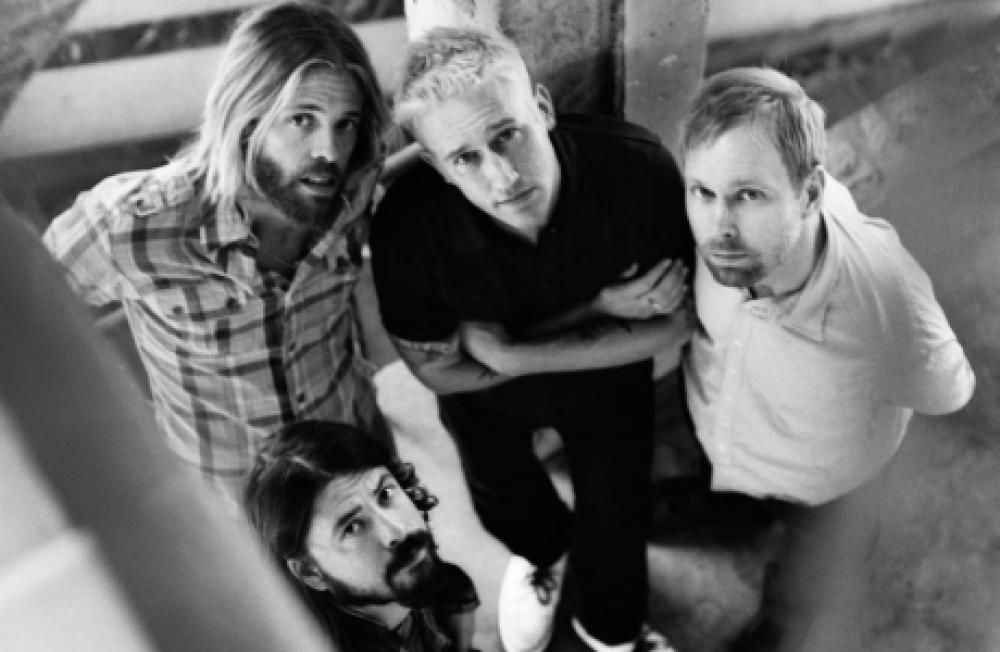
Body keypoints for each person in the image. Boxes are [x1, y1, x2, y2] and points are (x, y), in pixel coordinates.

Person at [370, 27, 693, 652]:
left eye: (507, 134)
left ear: (541, 107)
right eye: (465, 158)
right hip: (488, 401)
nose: (502, 176)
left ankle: (613, 634)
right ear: (436, 166)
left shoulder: (633, 167)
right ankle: (544, 557)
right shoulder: (409, 227)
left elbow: (677, 320)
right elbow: (437, 371)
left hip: (606, 381)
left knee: (618, 509)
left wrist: (509, 352)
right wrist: (601, 308)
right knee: (506, 499)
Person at [42, 1, 394, 502]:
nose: (329, 152)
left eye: (346, 123)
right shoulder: (132, 223)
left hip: (357, 463)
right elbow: (18, 312)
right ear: (245, 117)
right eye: (302, 119)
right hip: (235, 509)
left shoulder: (352, 189)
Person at [679, 67, 976, 650]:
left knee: (801, 583)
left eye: (749, 195)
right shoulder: (729, 231)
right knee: (738, 509)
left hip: (824, 487)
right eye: (703, 192)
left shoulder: (883, 299)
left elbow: (950, 388)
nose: (718, 227)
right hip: (723, 434)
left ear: (810, 193)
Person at [244, 420, 479, 652]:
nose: (397, 530)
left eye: (385, 494)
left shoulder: (442, 585)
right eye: (352, 527)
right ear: (311, 572)